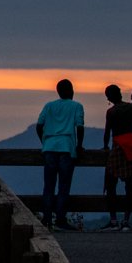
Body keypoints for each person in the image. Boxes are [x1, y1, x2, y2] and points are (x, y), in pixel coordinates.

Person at [34, 78, 85, 230]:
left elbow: (39, 126)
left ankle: (47, 219)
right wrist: (79, 146)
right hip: (67, 148)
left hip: (49, 148)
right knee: (63, 186)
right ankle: (60, 220)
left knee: (48, 186)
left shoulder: (49, 106)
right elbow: (80, 127)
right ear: (72, 91)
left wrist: (44, 142)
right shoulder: (77, 106)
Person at [101, 84, 132, 230]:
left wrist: (106, 146)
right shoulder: (130, 108)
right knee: (130, 185)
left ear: (110, 97)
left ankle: (113, 220)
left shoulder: (111, 112)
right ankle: (126, 220)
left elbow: (107, 132)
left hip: (119, 147)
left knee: (110, 183)